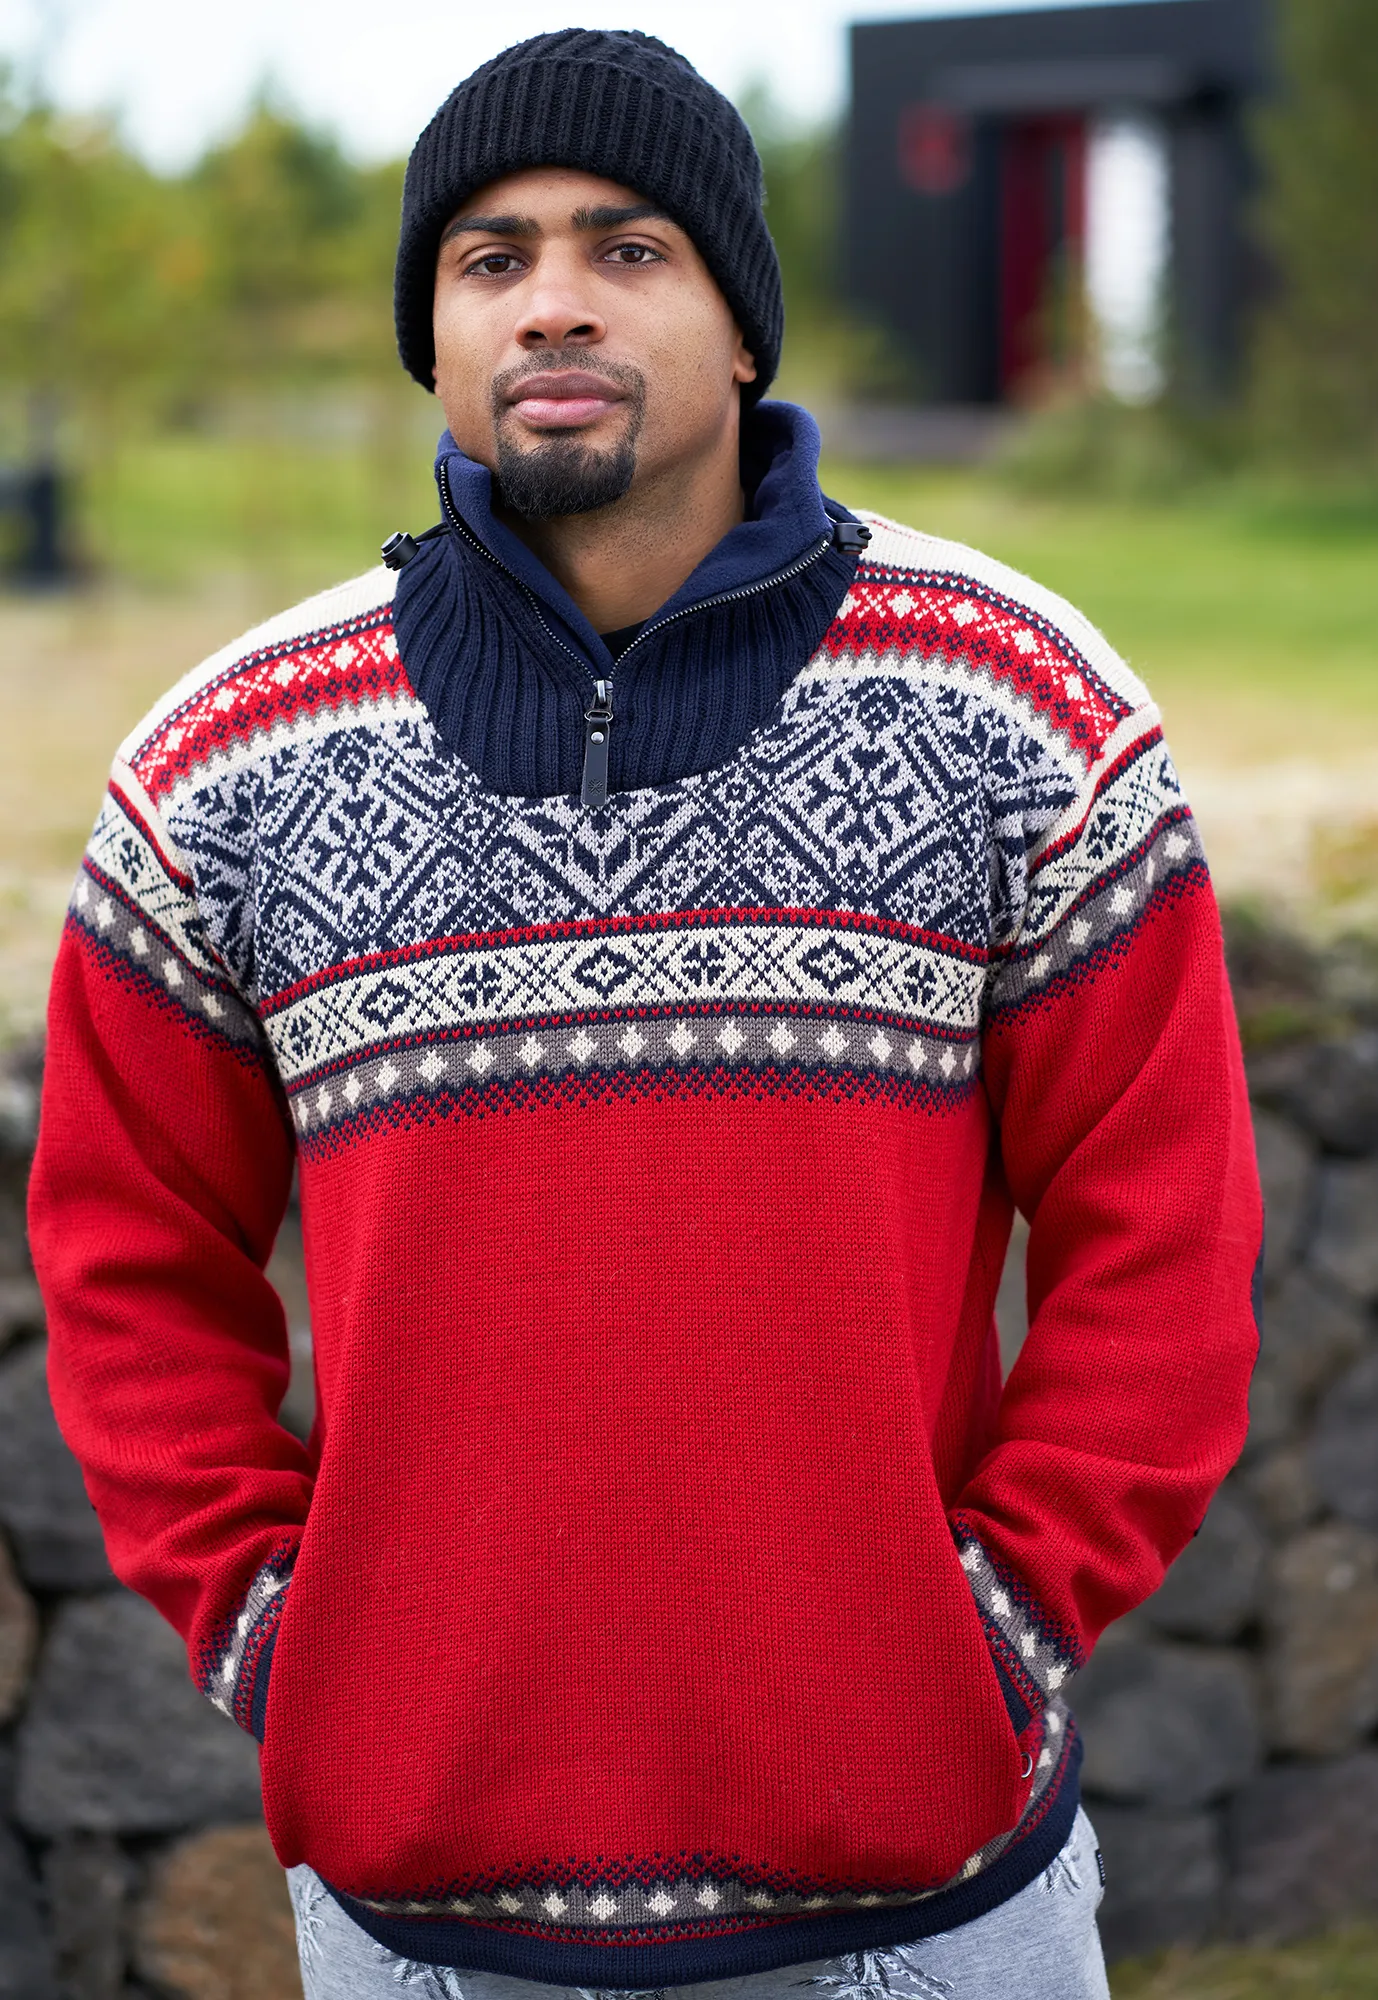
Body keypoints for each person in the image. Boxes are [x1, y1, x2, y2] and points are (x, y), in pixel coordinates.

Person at [28, 30, 1262, 2000]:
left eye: (627, 249)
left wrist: (986, 1636)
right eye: (490, 260)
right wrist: (292, 1647)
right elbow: (128, 1262)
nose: (553, 305)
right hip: (428, 1922)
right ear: (433, 334)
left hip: (919, 1906)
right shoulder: (223, 767)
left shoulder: (1014, 705)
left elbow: (1164, 1242)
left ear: (740, 324)